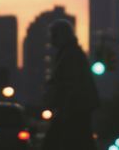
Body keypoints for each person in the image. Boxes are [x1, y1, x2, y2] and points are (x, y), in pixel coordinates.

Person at [42, 19, 99, 150]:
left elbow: (70, 84)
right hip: (75, 109)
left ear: (62, 36)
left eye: (54, 35)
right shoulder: (71, 53)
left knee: (56, 142)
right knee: (81, 142)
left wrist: (63, 108)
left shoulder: (70, 54)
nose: (51, 39)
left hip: (72, 110)